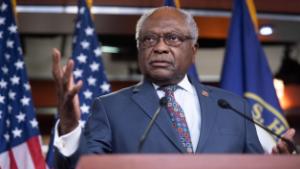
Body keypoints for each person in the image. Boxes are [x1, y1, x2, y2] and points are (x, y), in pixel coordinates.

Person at [52, 6, 295, 169]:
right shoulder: (109, 108)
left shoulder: (233, 107)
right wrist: (70, 126)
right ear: (139, 49)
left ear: (194, 50)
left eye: (173, 38)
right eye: (149, 39)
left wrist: (278, 166)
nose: (159, 47)